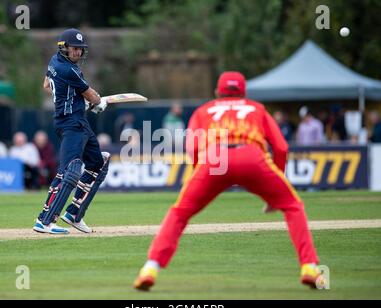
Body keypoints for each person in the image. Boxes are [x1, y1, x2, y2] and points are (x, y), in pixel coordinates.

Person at [133, 71, 324, 291]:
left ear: (217, 91)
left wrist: (201, 175)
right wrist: (276, 182)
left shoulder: (205, 110)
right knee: (293, 206)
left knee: (180, 212)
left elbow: (192, 147)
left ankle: (150, 268)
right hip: (251, 156)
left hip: (215, 159)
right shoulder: (256, 108)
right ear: (244, 92)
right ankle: (309, 267)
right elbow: (281, 147)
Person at [32, 28, 110, 235]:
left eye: (80, 49)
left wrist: (74, 101)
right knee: (70, 170)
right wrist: (97, 102)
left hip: (77, 121)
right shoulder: (70, 70)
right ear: (64, 48)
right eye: (74, 49)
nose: (78, 53)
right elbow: (93, 97)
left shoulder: (54, 62)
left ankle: (74, 213)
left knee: (98, 164)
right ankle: (45, 220)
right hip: (71, 123)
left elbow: (47, 85)